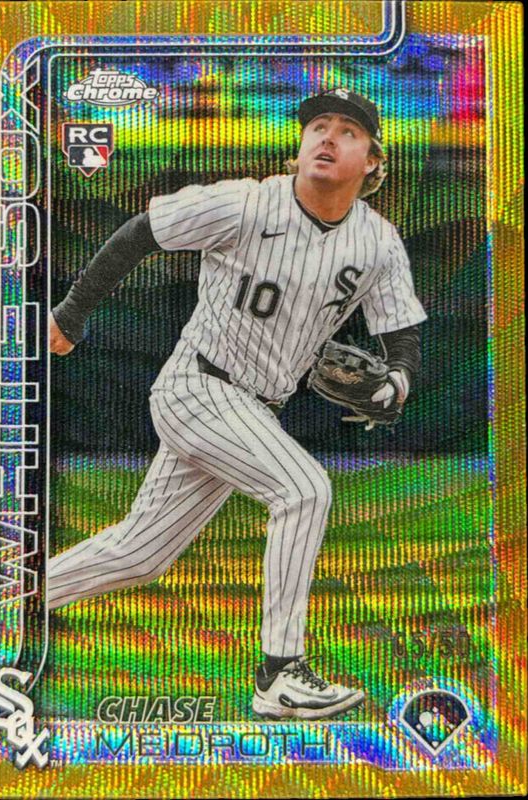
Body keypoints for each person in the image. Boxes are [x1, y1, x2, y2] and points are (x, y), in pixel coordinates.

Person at [47, 88, 427, 720]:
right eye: (318, 125)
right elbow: (144, 231)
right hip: (196, 386)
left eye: (348, 131)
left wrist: (399, 381)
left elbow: (401, 331)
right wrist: (71, 313)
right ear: (299, 146)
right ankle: (280, 674)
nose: (327, 136)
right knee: (304, 490)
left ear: (372, 163)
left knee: (138, 554)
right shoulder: (246, 203)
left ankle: (11, 600)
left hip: (253, 411)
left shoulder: (378, 241)